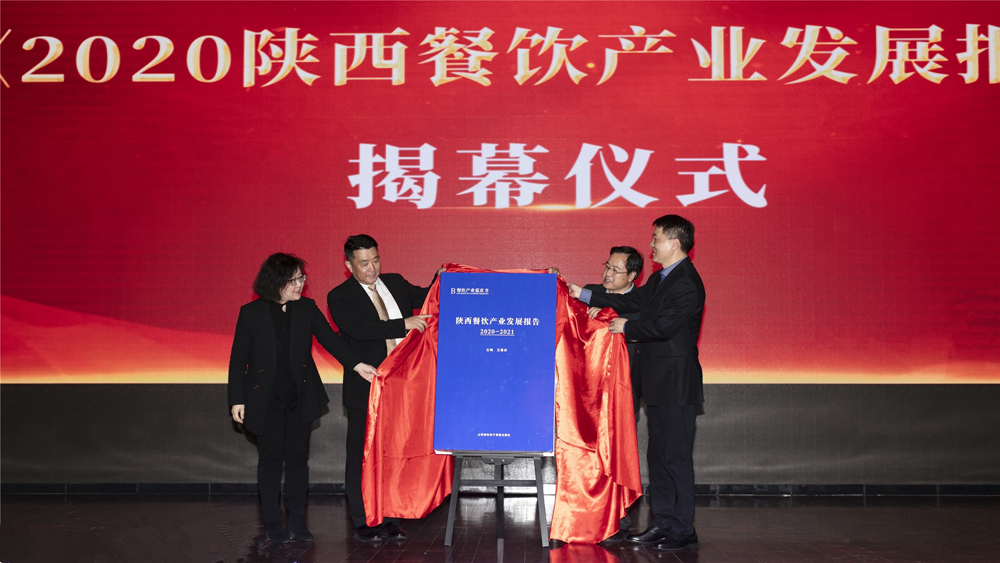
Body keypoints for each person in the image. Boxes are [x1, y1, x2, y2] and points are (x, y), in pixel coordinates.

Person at [568, 215, 705, 552]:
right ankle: (662, 522)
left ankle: (684, 529)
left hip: (676, 384)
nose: (652, 244)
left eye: (656, 238)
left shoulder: (687, 282)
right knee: (658, 456)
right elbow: (632, 301)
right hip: (657, 383)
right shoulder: (661, 278)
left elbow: (663, 326)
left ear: (674, 243)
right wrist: (581, 293)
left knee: (676, 458)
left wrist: (626, 327)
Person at [228, 253, 379, 544]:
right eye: (294, 279)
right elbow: (238, 360)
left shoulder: (307, 308)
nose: (300, 284)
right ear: (276, 281)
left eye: (302, 278)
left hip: (299, 398)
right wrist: (237, 399)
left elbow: (331, 340)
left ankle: (297, 521)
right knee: (271, 460)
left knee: (298, 460)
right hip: (265, 401)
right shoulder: (251, 313)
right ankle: (273, 523)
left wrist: (357, 365)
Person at [326, 234, 436, 543]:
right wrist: (404, 324)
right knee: (360, 454)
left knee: (393, 454)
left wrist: (445, 275)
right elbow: (359, 329)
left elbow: (429, 295)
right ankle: (362, 520)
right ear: (349, 265)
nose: (372, 268)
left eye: (375, 260)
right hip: (367, 387)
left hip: (401, 387)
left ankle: (389, 517)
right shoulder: (340, 296)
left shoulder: (395, 283)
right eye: (364, 263)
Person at [582, 246, 644, 544]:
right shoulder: (590, 293)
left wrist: (609, 314)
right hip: (587, 393)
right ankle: (583, 513)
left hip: (623, 394)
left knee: (617, 454)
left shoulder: (642, 302)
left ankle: (617, 518)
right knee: (587, 453)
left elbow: (640, 323)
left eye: (616, 270)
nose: (607, 273)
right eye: (607, 266)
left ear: (632, 275)